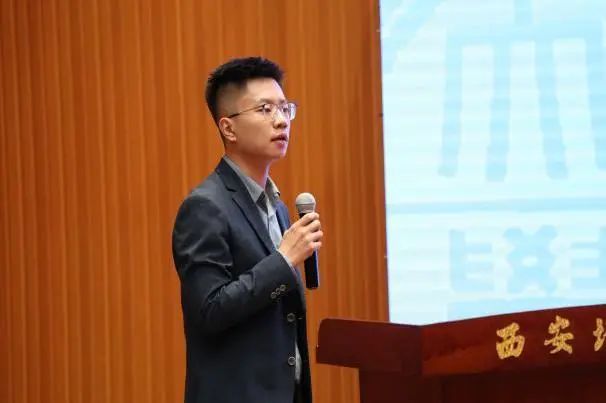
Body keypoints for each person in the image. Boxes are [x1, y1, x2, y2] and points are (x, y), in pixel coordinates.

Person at [172, 56, 323, 403]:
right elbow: (209, 311)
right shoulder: (205, 207)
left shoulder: (278, 208)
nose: (281, 120)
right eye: (265, 109)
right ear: (228, 128)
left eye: (285, 108)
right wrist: (283, 261)